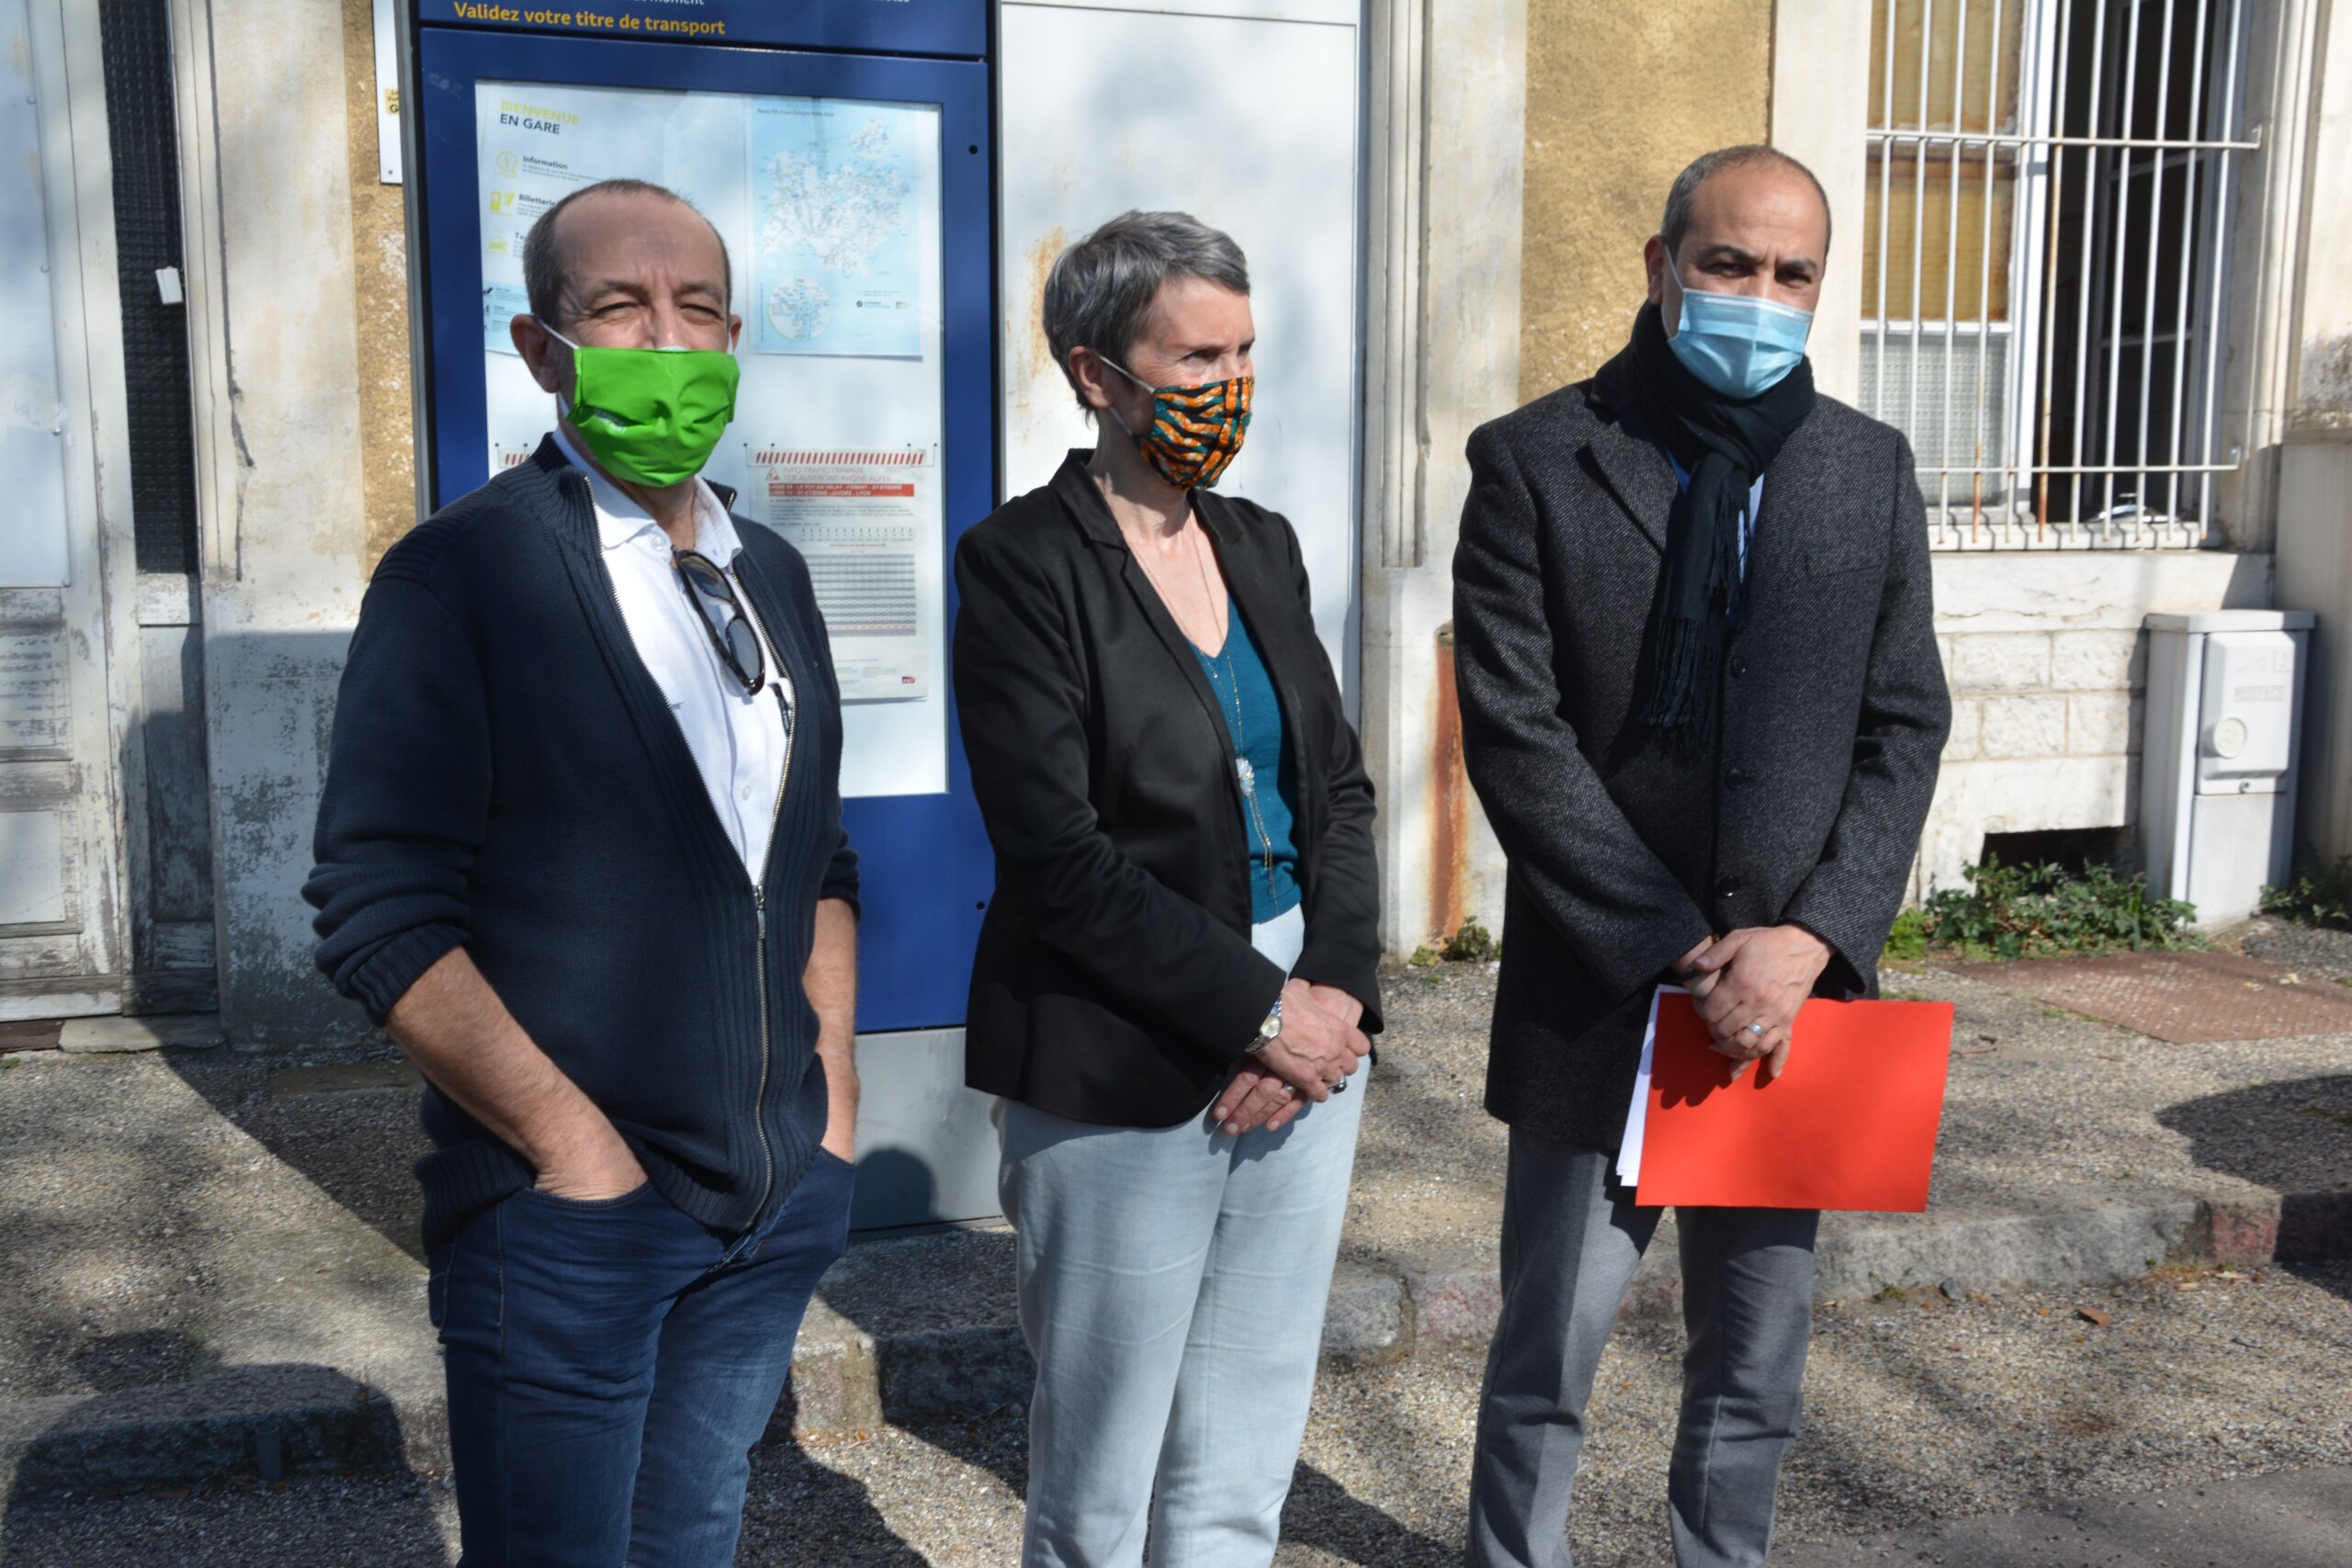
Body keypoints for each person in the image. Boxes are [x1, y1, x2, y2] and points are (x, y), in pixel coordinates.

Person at [305, 178, 861, 1567]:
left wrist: (833, 1098)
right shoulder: (463, 578)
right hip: (571, 1234)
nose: (666, 344)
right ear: (541, 347)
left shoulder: (770, 574)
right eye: (618, 308)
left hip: (770, 1199)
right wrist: (571, 1151)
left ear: (736, 338)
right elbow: (378, 912)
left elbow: (819, 857)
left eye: (697, 312)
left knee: (693, 1538)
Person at [1453, 146, 1952, 1568]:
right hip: (1606, 996)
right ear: (1662, 266)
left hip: (1796, 1008)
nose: (1761, 296)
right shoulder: (1536, 459)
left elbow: (1904, 723)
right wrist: (1679, 942)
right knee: (1547, 1366)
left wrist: (1810, 940)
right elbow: (1517, 733)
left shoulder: (1867, 465)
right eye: (1730, 263)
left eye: (1794, 274)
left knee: (1755, 1372)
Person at [951, 209, 1383, 1567]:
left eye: (1244, 353)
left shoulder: (1263, 543)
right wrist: (1261, 1014)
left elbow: (1341, 794)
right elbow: (1058, 856)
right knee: (1101, 1479)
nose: (1228, 389)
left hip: (1312, 1043)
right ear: (1098, 375)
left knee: (1242, 1461)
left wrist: (1339, 996)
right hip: (1121, 1053)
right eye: (1195, 358)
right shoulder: (1020, 566)